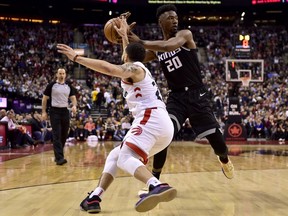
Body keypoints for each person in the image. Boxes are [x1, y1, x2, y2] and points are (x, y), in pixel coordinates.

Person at [56, 16, 176, 213]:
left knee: (124, 158)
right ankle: (95, 197)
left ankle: (156, 185)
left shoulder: (134, 68)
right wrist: (123, 37)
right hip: (162, 126)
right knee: (115, 155)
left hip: (150, 119)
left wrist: (76, 58)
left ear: (127, 58)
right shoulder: (138, 67)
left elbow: (109, 68)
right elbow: (127, 57)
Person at [128, 4, 234, 187]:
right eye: (170, 18)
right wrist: (123, 35)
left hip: (197, 95)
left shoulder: (184, 35)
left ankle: (224, 159)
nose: (175, 20)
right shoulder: (156, 50)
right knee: (164, 134)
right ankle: (155, 182)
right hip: (176, 98)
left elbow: (170, 45)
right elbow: (135, 58)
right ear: (160, 22)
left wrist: (141, 41)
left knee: (219, 145)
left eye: (176, 17)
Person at [42, 68, 77, 165]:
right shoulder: (51, 85)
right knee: (56, 134)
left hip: (65, 111)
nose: (61, 75)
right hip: (54, 111)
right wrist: (44, 112)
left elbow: (73, 98)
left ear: (65, 75)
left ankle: (58, 155)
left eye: (63, 73)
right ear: (57, 74)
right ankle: (59, 158)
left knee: (64, 134)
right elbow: (44, 99)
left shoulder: (68, 86)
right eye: (60, 73)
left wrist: (74, 105)